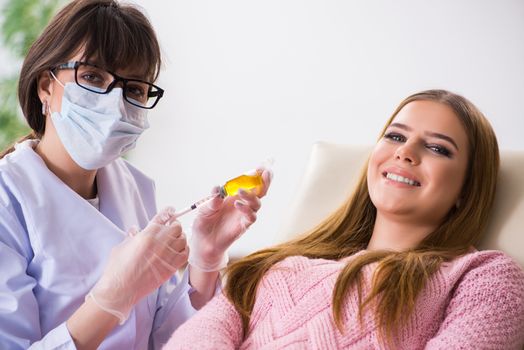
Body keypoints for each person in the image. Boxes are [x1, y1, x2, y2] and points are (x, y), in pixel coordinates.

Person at [0, 1, 271, 349]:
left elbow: (168, 338)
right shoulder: (9, 199)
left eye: (134, 89)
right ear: (45, 86)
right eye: (93, 77)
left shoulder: (134, 187)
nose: (115, 104)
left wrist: (205, 258)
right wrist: (110, 299)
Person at [165, 90, 524, 349]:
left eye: (437, 148)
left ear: (467, 186)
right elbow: (194, 339)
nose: (405, 152)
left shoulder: (484, 277)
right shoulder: (280, 265)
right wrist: (205, 256)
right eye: (396, 136)